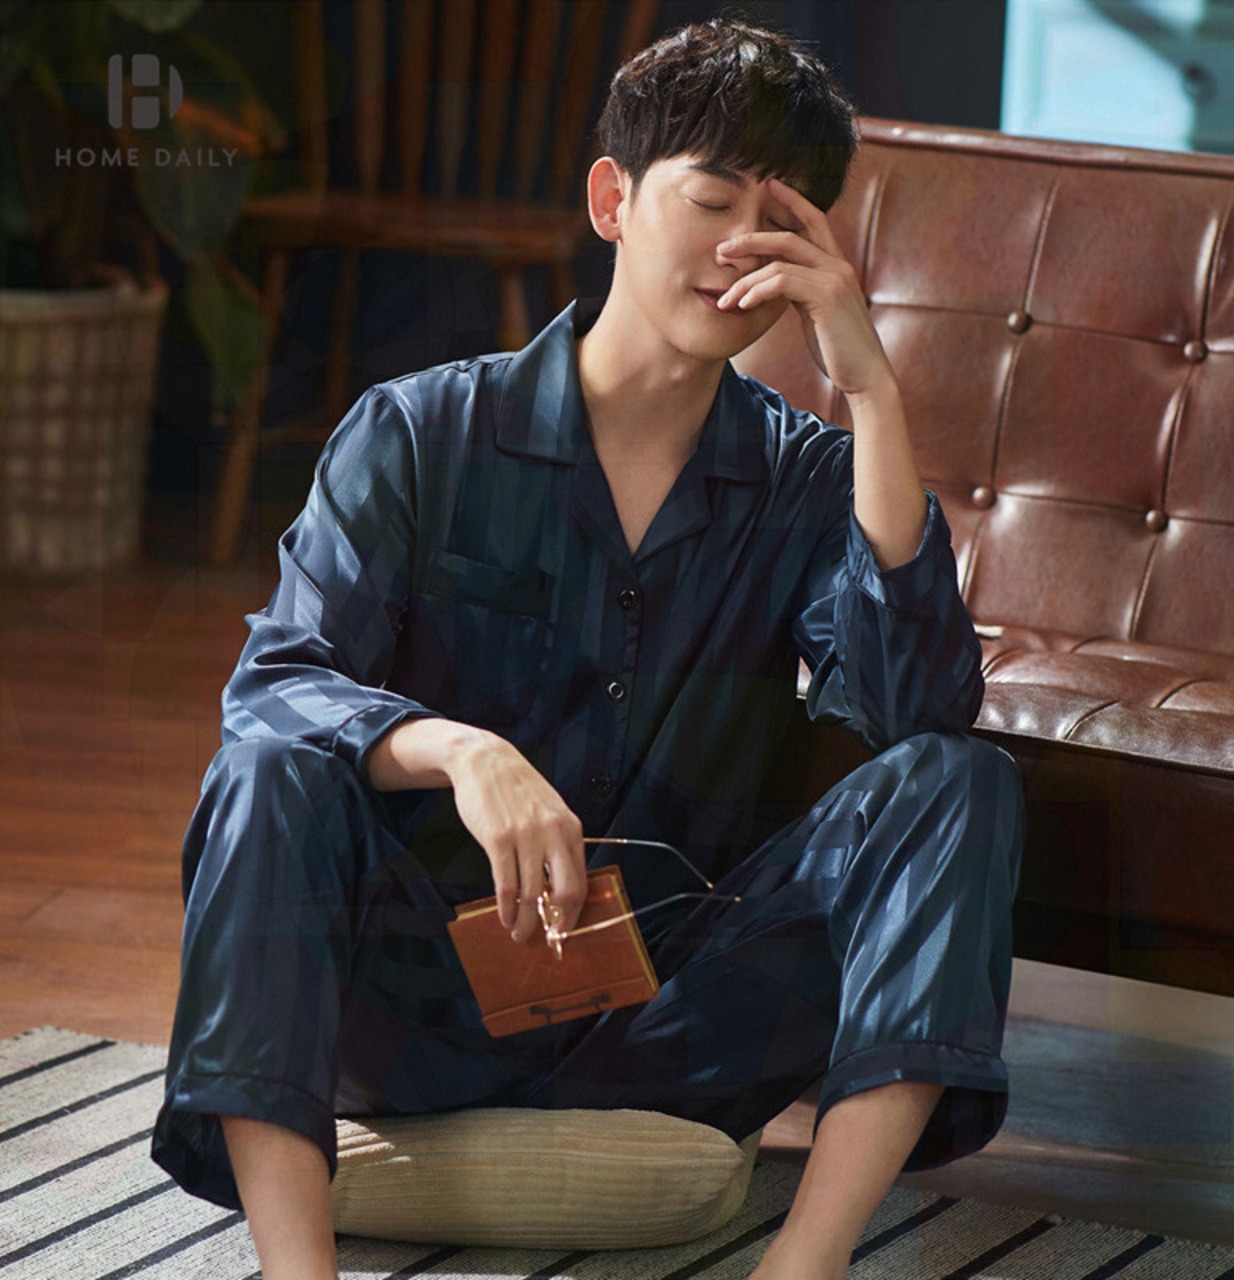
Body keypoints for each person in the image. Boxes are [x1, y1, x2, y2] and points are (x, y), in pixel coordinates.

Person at [153, 19, 1024, 1280]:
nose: (741, 247)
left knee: (958, 777)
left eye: (781, 220)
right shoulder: (418, 433)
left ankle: (804, 1264)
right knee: (263, 775)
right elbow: (277, 689)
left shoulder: (804, 476)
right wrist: (460, 750)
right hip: (417, 1004)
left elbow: (912, 707)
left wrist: (872, 392)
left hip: (676, 1019)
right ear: (611, 200)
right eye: (710, 199)